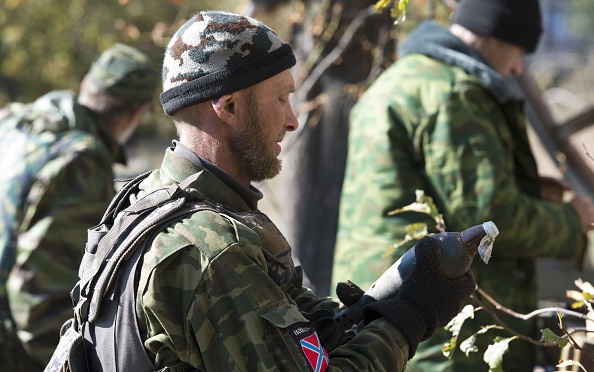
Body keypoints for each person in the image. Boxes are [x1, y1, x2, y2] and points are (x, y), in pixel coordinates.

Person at [53, 11, 477, 372]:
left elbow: (291, 339)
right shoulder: (212, 250)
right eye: (281, 99)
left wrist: (359, 316)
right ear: (230, 106)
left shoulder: (148, 199)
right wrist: (412, 315)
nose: (292, 121)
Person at [331, 0, 594, 370]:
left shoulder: (402, 79)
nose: (518, 67)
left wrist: (526, 189)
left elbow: (441, 190)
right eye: (519, 51)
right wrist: (571, 219)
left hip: (384, 321)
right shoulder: (456, 96)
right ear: (495, 36)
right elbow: (491, 220)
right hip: (434, 336)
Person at [0, 43, 158, 371]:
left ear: (87, 82)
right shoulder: (82, 161)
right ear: (138, 111)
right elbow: (40, 300)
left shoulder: (13, 121)